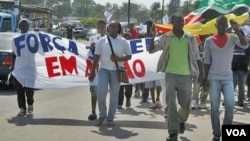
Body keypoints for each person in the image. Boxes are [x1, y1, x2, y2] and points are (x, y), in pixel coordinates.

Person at [149, 13, 203, 141]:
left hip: (186, 76)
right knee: (171, 104)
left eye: (182, 21)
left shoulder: (190, 38)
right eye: (178, 21)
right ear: (172, 22)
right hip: (170, 74)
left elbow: (197, 57)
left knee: (186, 106)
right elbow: (151, 50)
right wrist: (152, 36)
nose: (181, 23)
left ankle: (181, 120)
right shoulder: (166, 38)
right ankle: (173, 132)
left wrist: (201, 73)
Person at [203, 15, 248, 141]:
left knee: (230, 104)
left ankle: (227, 130)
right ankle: (216, 134)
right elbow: (206, 61)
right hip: (213, 78)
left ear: (227, 25)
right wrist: (204, 78)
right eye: (220, 24)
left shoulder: (232, 38)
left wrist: (237, 29)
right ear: (216, 26)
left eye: (224, 23)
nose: (222, 26)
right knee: (214, 107)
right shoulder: (209, 41)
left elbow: (245, 45)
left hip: (228, 78)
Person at [88, 21, 132, 126]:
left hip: (116, 71)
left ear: (118, 28)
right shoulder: (102, 41)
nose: (112, 28)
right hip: (104, 69)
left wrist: (118, 58)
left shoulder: (123, 41)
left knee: (114, 94)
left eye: (114, 26)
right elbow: (97, 56)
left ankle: (110, 117)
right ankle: (102, 114)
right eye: (110, 26)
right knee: (101, 92)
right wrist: (92, 72)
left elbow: (129, 56)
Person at [11, 19, 36, 116]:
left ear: (28, 26)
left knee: (30, 92)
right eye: (22, 25)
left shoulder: (33, 38)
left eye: (26, 25)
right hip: (18, 69)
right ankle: (22, 109)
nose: (24, 26)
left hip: (30, 69)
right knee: (19, 92)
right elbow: (13, 54)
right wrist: (12, 66)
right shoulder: (15, 39)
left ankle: (30, 103)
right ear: (19, 26)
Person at [87, 20, 107, 120]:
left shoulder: (109, 39)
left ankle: (102, 112)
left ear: (105, 28)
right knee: (94, 91)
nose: (100, 29)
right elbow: (88, 53)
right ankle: (93, 111)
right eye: (98, 27)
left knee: (103, 92)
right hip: (95, 68)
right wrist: (92, 47)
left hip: (105, 68)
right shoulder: (92, 38)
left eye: (102, 27)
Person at [231, 28, 249, 107]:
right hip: (232, 67)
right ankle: (229, 100)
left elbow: (248, 55)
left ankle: (240, 100)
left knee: (241, 85)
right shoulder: (232, 43)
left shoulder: (246, 44)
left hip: (242, 67)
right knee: (232, 83)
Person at [117, 32, 133, 109]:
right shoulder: (120, 45)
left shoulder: (133, 46)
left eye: (130, 38)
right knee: (120, 87)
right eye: (127, 38)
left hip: (130, 70)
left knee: (129, 87)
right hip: (121, 68)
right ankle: (119, 103)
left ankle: (128, 99)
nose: (128, 39)